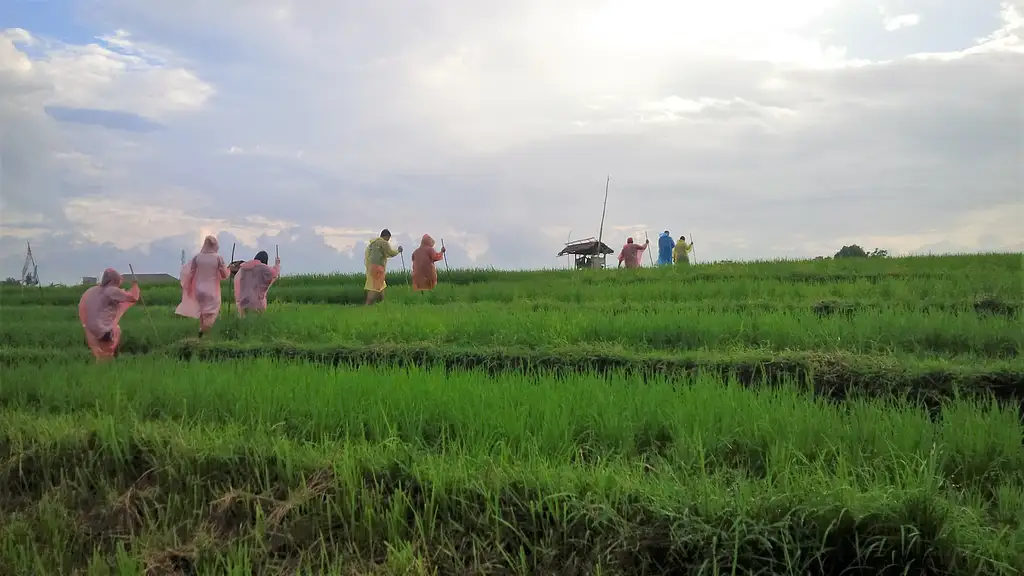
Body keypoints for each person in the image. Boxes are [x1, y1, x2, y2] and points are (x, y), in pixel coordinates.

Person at [78, 268, 140, 362]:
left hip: (90, 330)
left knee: (100, 355)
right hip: (103, 329)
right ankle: (108, 366)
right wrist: (135, 285)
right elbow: (133, 298)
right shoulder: (111, 290)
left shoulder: (93, 290)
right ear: (113, 280)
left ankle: (101, 370)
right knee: (114, 337)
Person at [176, 235, 230, 337]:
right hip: (212, 290)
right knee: (212, 313)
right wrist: (230, 269)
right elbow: (224, 274)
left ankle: (202, 335)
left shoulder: (197, 257)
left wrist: (187, 287)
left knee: (202, 312)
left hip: (199, 290)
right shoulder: (218, 258)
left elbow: (191, 273)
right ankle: (202, 332)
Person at [233, 250, 281, 317]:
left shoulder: (243, 268)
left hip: (242, 301)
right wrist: (277, 264)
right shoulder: (262, 267)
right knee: (257, 322)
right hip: (257, 302)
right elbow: (274, 273)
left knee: (244, 321)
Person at [364, 228, 403, 305]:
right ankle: (367, 305)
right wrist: (398, 251)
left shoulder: (373, 244)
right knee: (375, 288)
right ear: (386, 236)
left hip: (372, 267)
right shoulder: (383, 243)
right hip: (378, 268)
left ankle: (381, 304)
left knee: (380, 286)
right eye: (389, 238)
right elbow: (391, 253)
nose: (388, 240)